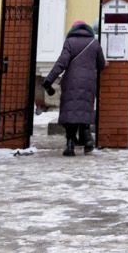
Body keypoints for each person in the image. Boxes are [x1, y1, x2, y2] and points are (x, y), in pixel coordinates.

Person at [42, 20, 104, 156]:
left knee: (71, 111)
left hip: (71, 82)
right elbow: (101, 64)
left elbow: (61, 63)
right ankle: (88, 141)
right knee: (84, 110)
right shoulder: (94, 43)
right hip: (88, 83)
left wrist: (49, 80)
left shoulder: (69, 42)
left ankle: (70, 145)